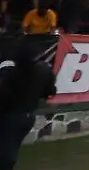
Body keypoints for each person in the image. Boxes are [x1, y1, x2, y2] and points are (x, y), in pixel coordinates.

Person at [0, 37, 57, 170]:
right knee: (11, 148)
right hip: (28, 116)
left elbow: (4, 95)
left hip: (11, 116)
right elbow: (50, 91)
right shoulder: (43, 71)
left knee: (6, 152)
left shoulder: (13, 73)